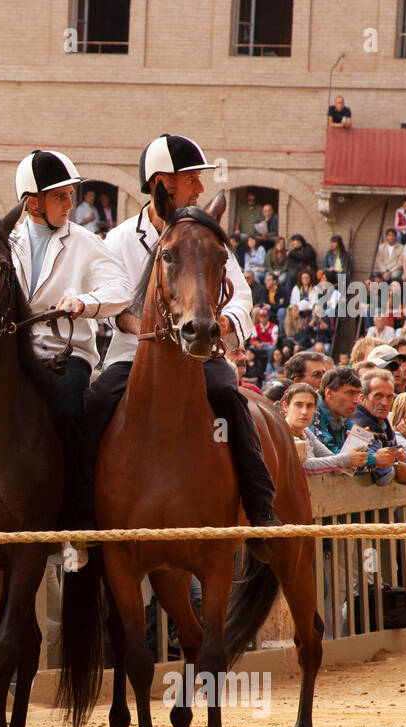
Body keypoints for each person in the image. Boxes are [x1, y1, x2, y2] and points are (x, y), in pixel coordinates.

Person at [87, 132, 278, 533]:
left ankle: (259, 503)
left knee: (229, 393)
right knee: (97, 402)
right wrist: (148, 332)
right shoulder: (119, 239)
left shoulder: (206, 233)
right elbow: (111, 307)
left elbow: (241, 297)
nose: (201, 187)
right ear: (164, 184)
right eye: (193, 178)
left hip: (202, 353)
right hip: (133, 356)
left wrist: (222, 324)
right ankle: (82, 512)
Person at [0, 149, 130, 563]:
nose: (70, 203)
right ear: (31, 202)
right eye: (59, 196)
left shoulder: (86, 242)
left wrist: (84, 302)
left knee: (70, 410)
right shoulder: (2, 241)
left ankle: (76, 521)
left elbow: (119, 290)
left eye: (70, 194)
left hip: (66, 353)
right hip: (11, 354)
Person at [282, 382, 363, 475]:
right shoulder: (281, 433)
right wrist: (346, 459)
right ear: (285, 406)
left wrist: (354, 445)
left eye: (309, 406)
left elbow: (332, 460)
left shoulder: (306, 432)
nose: (304, 411)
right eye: (298, 405)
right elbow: (304, 466)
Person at [351, 369, 406, 485]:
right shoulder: (358, 425)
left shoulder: (384, 424)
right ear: (362, 398)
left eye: (389, 397)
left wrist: (393, 461)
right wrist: (396, 461)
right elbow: (384, 476)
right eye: (378, 396)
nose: (384, 402)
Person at [310, 366, 361, 453]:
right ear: (329, 393)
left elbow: (361, 446)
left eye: (358, 393)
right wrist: (373, 459)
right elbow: (329, 456)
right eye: (350, 393)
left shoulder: (344, 412)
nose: (356, 400)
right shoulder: (312, 413)